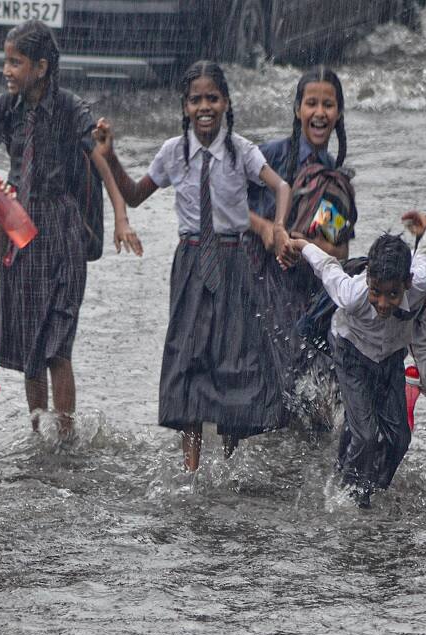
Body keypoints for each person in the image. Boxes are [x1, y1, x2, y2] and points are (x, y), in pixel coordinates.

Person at [93, 60, 292, 471]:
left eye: (212, 98)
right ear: (185, 106)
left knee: (235, 356)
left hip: (233, 259)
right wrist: (110, 156)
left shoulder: (240, 150)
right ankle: (191, 468)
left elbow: (281, 186)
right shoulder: (172, 152)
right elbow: (134, 195)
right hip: (190, 262)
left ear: (226, 103)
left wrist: (279, 226)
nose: (205, 107)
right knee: (188, 358)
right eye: (196, 100)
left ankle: (230, 465)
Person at [0, 19, 138, 437]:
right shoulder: (5, 109)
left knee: (57, 344)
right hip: (18, 229)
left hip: (62, 230)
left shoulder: (69, 107)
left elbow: (100, 162)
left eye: (16, 62)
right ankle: (37, 435)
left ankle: (65, 436)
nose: (7, 71)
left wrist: (121, 215)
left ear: (41, 67)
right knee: (30, 347)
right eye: (6, 61)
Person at [283, 210, 426, 507]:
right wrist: (301, 245)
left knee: (399, 439)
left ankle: (373, 488)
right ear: (368, 280)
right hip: (350, 353)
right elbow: (327, 266)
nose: (382, 303)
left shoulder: (421, 288)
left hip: (389, 358)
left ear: (407, 283)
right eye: (376, 292)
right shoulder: (354, 293)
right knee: (366, 435)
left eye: (392, 295)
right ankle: (350, 496)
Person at [246, 67, 351, 429]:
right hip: (259, 279)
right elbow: (223, 197)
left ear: (339, 113)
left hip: (304, 288)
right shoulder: (270, 156)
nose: (319, 113)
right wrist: (266, 229)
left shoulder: (335, 176)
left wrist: (304, 245)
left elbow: (334, 246)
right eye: (311, 104)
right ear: (297, 109)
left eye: (328, 105)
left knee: (309, 385)